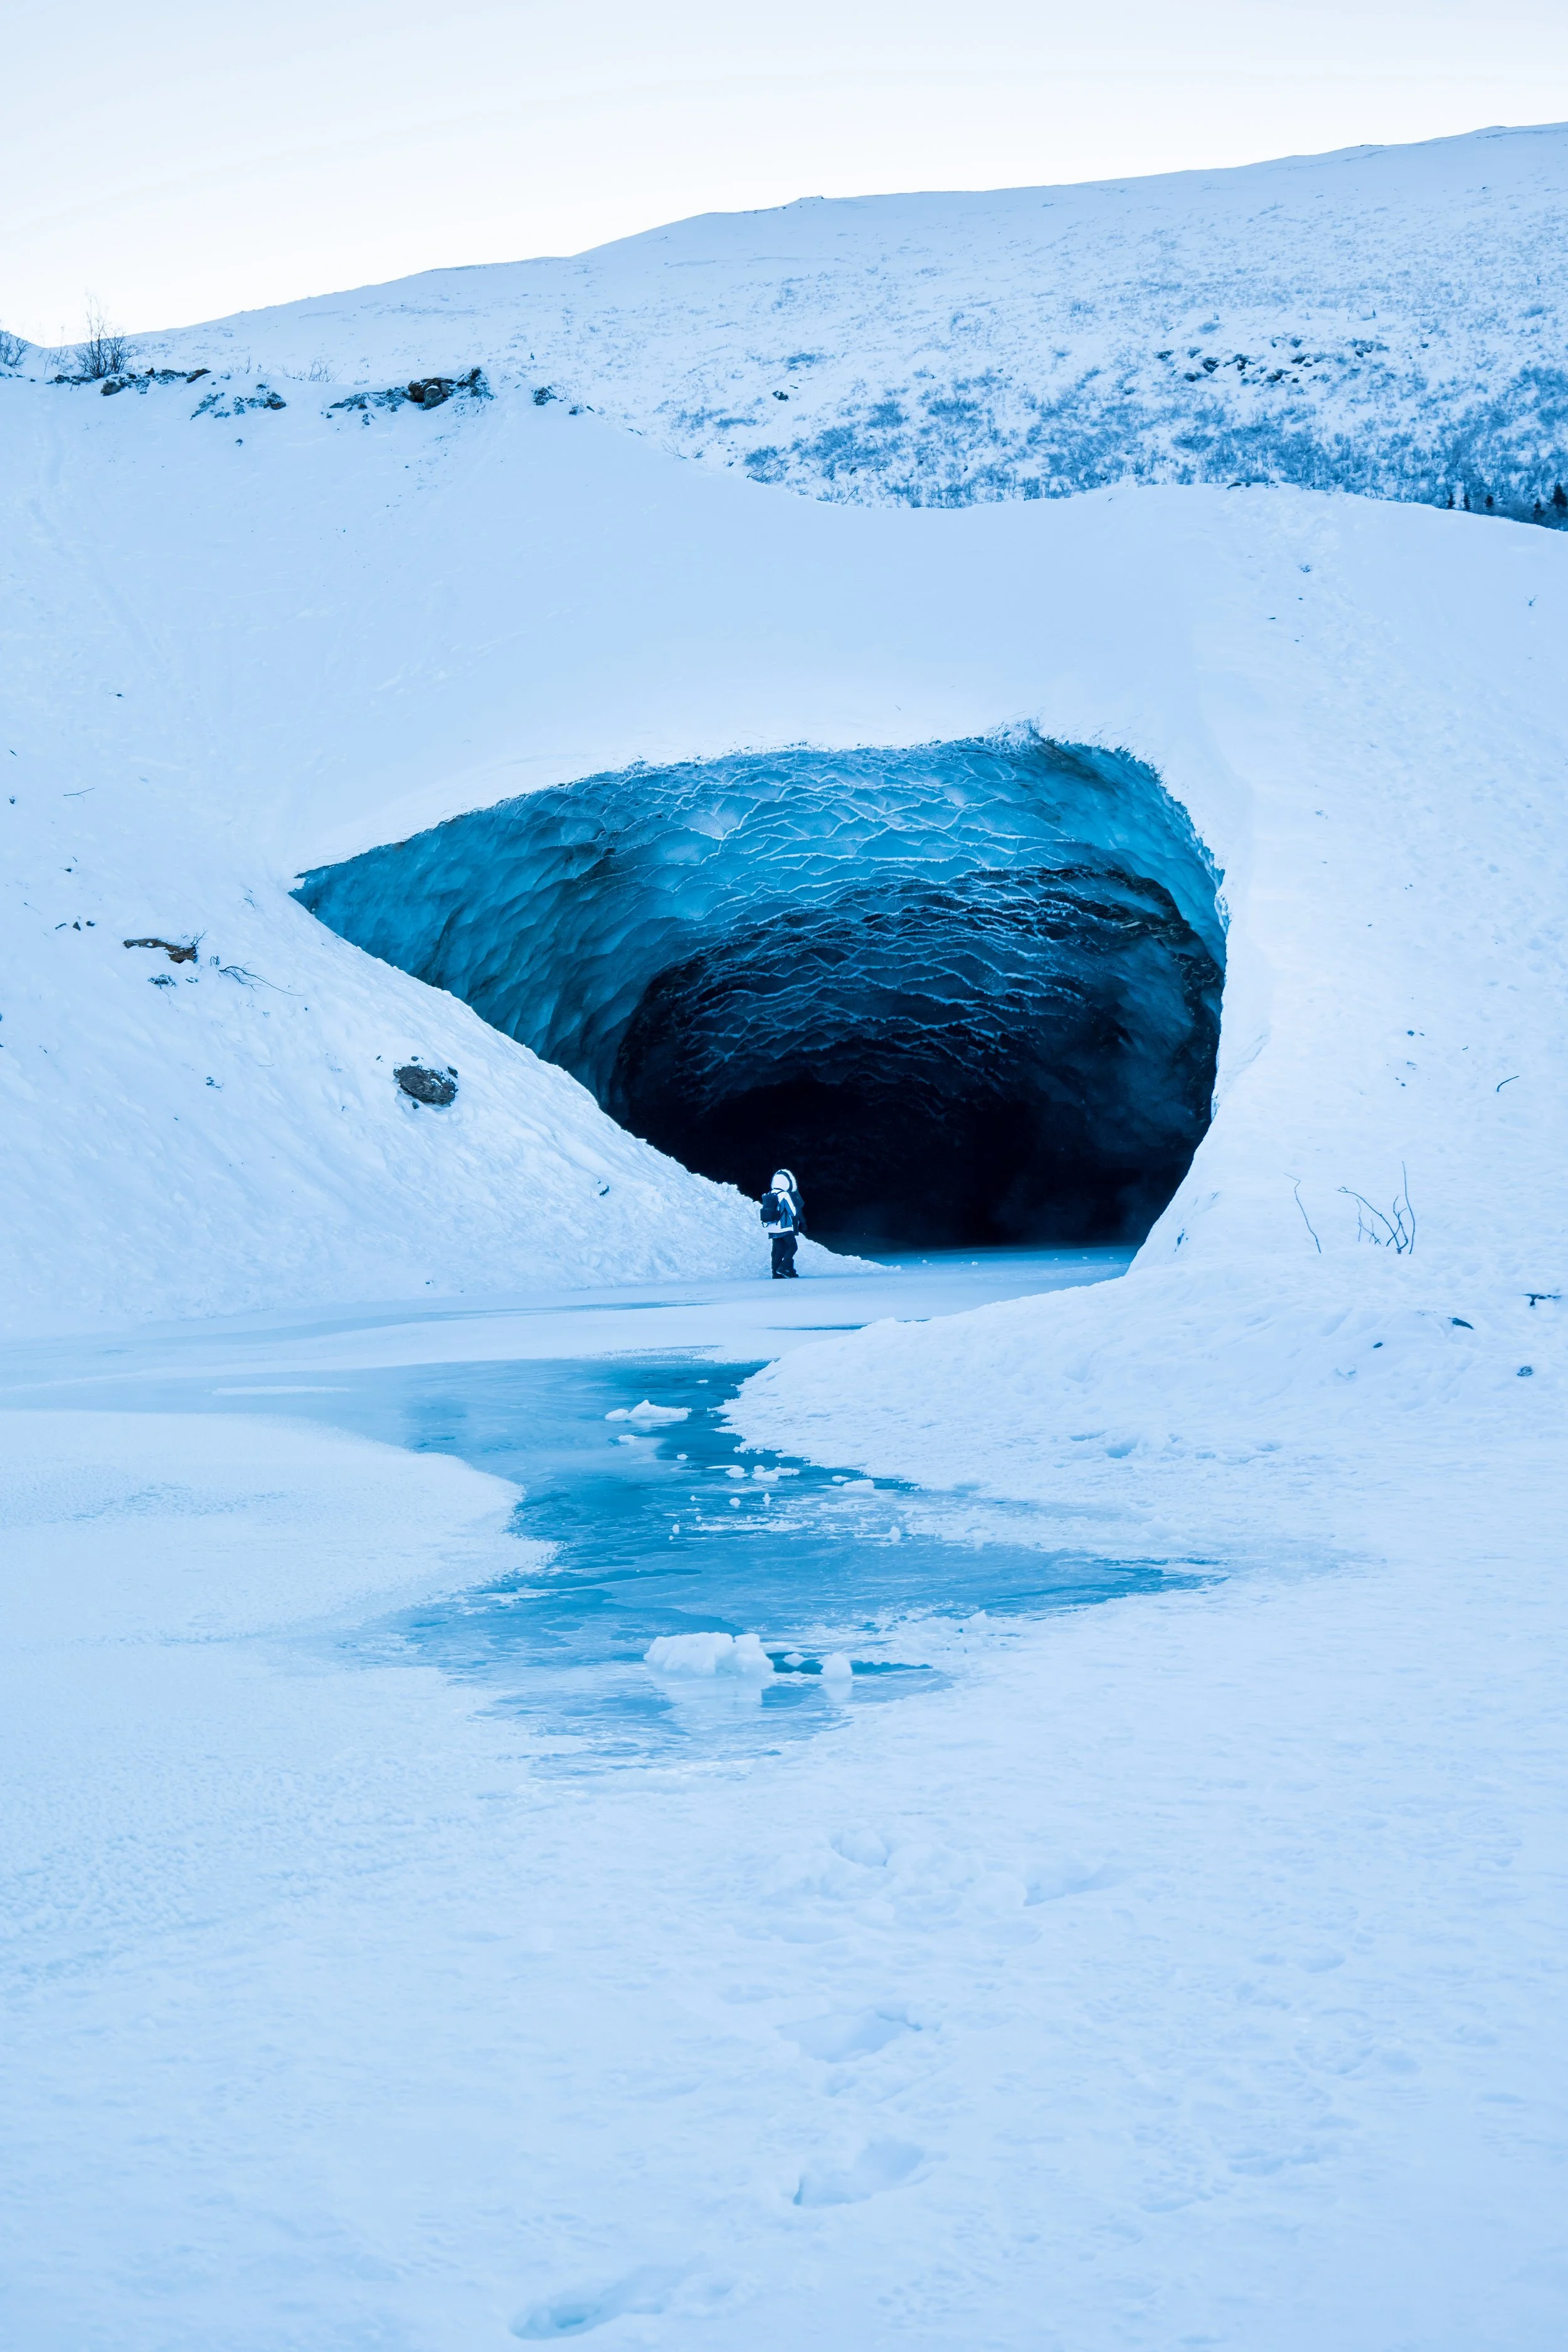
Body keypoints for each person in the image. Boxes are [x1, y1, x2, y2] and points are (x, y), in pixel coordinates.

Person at [760, 1167, 806, 1278]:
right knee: (793, 1247)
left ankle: (775, 1273)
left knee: (778, 1250)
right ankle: (784, 1267)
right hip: (784, 1227)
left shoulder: (770, 1194)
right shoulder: (784, 1195)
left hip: (772, 1227)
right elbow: (792, 1212)